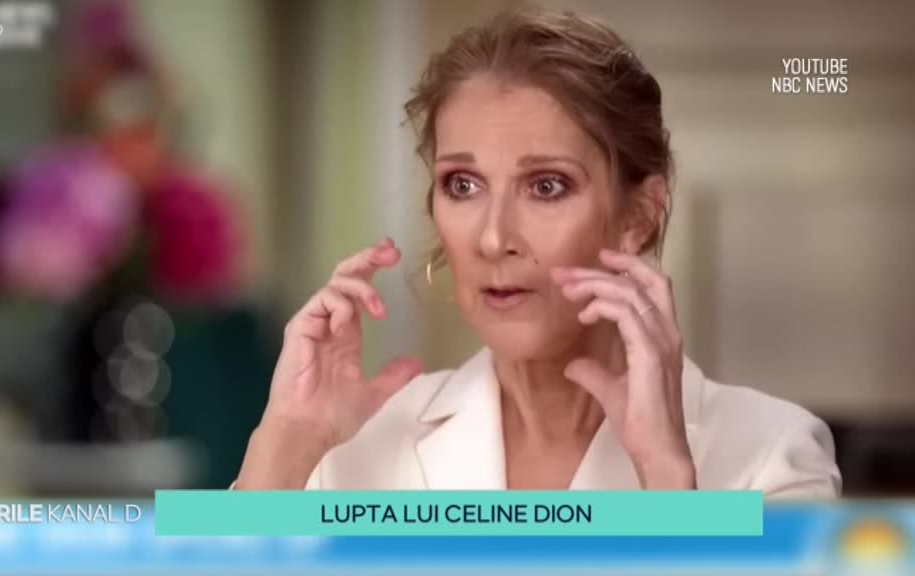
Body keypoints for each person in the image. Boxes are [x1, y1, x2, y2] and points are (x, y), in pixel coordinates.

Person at [234, 8, 841, 495]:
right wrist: (284, 445)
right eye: (463, 185)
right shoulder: (351, 452)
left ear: (639, 214)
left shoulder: (772, 455)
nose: (493, 237)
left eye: (547, 186)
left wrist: (666, 478)